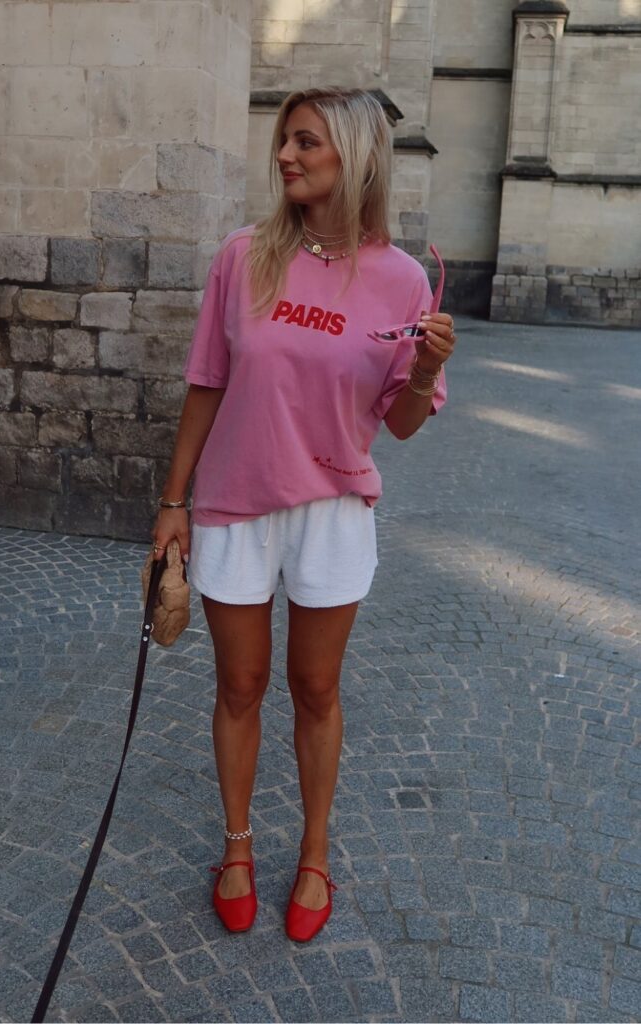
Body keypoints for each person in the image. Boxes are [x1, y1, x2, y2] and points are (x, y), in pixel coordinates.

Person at [151, 86, 457, 942]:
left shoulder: (400, 279)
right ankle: (239, 847)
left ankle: (315, 851)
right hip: (233, 505)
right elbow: (206, 381)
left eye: (306, 142)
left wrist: (427, 373)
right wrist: (172, 503)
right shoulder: (241, 257)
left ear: (353, 156)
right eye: (284, 141)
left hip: (331, 509)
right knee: (239, 684)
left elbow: (397, 423)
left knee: (315, 688)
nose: (285, 155)